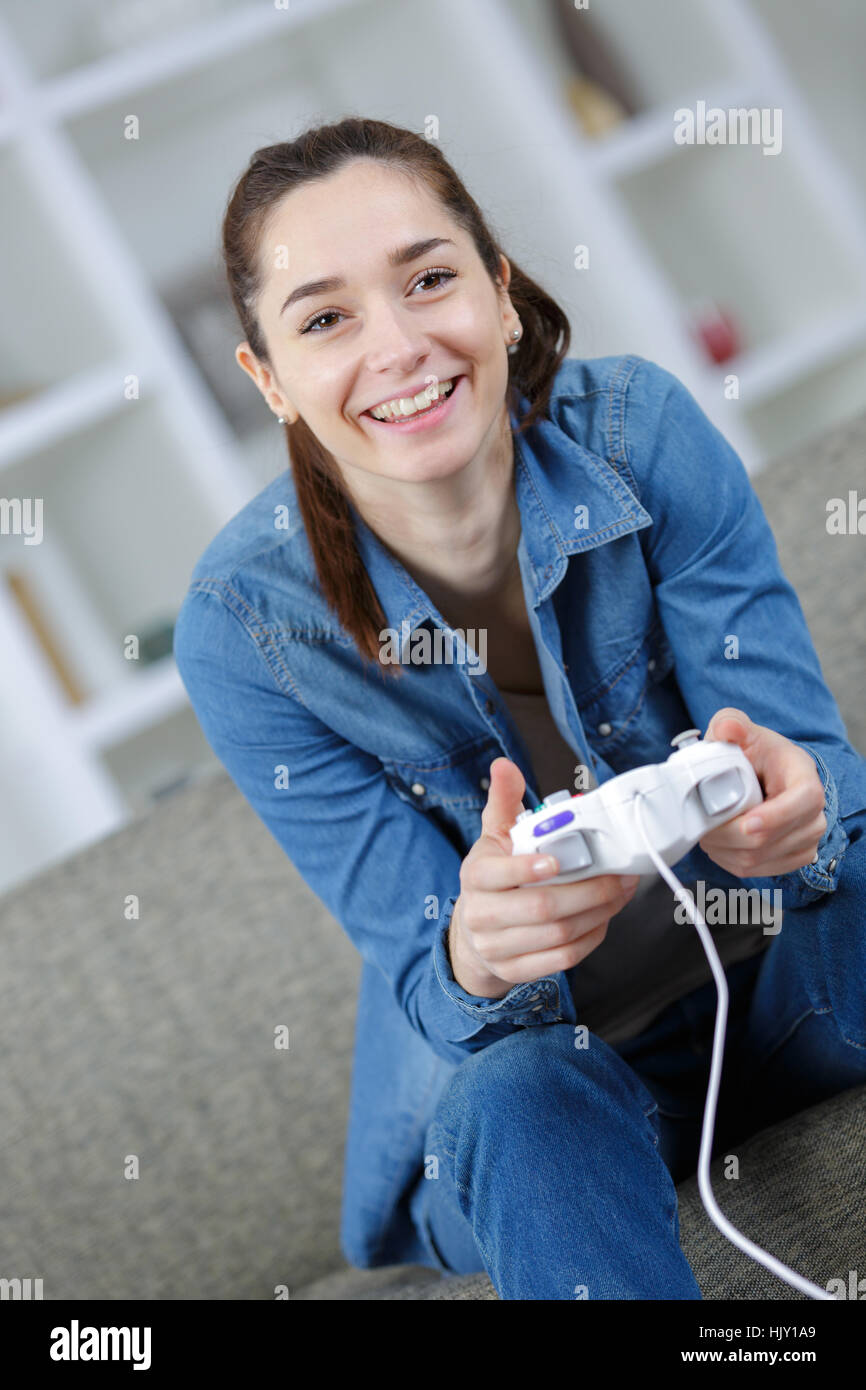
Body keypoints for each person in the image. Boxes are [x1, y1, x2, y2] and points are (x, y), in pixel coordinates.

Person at [172, 116, 866, 1300]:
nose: (396, 346)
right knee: (513, 1096)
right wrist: (480, 951)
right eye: (325, 317)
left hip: (777, 986)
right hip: (553, 1086)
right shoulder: (244, 630)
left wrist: (794, 806)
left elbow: (823, 784)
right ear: (269, 379)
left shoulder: (638, 433)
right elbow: (425, 980)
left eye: (429, 279)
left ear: (498, 295)